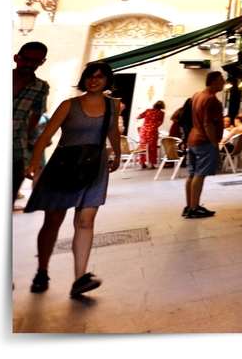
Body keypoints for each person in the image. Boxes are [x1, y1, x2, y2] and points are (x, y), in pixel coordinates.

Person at [23, 61, 122, 298]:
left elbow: (112, 132)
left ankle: (80, 278)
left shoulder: (113, 105)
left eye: (100, 76)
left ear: (108, 81)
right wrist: (34, 162)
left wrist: (118, 154)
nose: (94, 79)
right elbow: (46, 135)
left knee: (86, 221)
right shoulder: (70, 105)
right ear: (84, 79)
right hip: (64, 166)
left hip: (95, 167)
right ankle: (42, 270)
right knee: (53, 221)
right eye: (90, 75)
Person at [182, 72, 225, 219]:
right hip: (204, 140)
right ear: (214, 82)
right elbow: (208, 123)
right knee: (200, 174)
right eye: (222, 80)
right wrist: (214, 143)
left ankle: (189, 206)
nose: (224, 83)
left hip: (193, 138)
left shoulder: (197, 96)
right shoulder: (210, 99)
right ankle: (194, 208)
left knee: (192, 173)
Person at [13, 41, 51, 202]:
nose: (29, 64)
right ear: (16, 58)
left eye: (36, 61)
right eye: (26, 59)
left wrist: (25, 135)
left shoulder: (40, 87)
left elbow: (37, 115)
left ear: (42, 62)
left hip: (15, 151)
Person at [135, 100, 165, 168]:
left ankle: (142, 163)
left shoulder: (148, 110)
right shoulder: (161, 113)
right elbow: (160, 122)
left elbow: (138, 117)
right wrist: (154, 125)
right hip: (153, 131)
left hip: (144, 130)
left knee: (143, 146)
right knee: (152, 147)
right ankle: (151, 164)